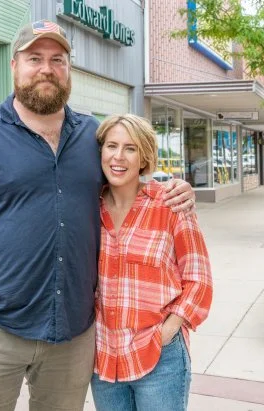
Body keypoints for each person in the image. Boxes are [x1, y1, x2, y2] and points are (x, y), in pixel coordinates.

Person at [0, 20, 195, 411]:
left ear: (69, 70)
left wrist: (175, 189)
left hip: (73, 334)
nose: (46, 68)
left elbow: (129, 179)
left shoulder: (92, 136)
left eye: (57, 59)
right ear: (14, 65)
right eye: (35, 58)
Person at [91, 114, 213, 411]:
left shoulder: (170, 204)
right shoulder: (86, 208)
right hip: (104, 359)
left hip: (159, 357)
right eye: (111, 146)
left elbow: (199, 280)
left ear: (144, 157)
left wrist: (166, 332)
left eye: (130, 148)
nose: (118, 157)